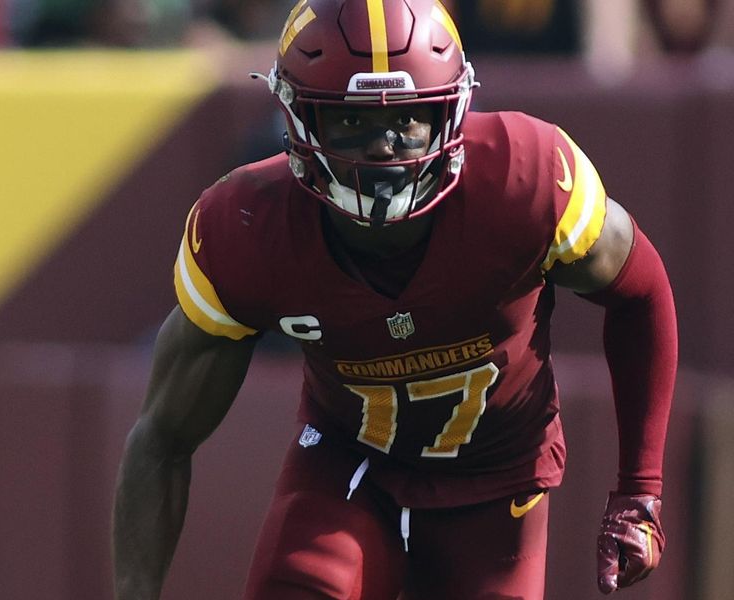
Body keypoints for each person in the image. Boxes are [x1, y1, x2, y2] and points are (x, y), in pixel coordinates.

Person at [112, 0, 678, 598]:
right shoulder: (248, 225)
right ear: (299, 118)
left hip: (499, 477)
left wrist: (640, 489)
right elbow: (162, 435)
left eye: (408, 119)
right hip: (349, 464)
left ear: (452, 111)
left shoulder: (526, 180)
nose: (383, 148)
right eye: (350, 121)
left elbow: (642, 291)